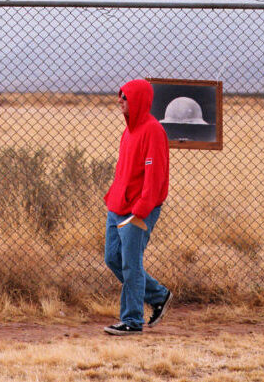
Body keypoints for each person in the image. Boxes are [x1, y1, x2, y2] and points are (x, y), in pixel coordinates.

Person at [102, 79, 174, 336]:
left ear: (140, 100)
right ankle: (158, 295)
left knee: (131, 263)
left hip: (138, 209)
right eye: (120, 95)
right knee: (113, 258)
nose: (119, 100)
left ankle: (132, 321)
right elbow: (125, 170)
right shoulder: (129, 130)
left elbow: (154, 176)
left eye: (125, 97)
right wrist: (113, 196)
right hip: (118, 205)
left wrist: (141, 210)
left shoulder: (153, 131)